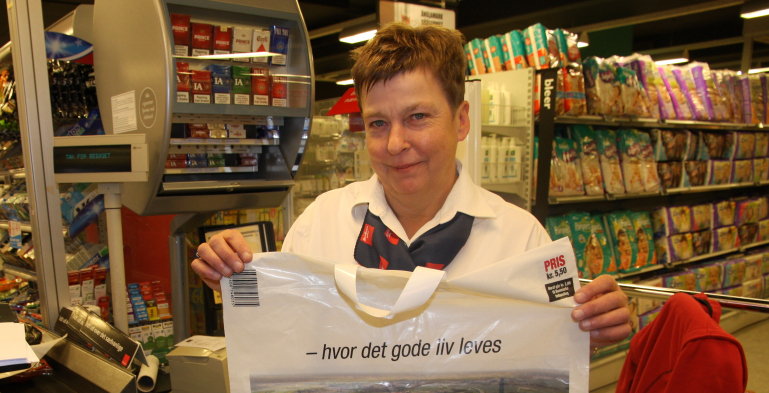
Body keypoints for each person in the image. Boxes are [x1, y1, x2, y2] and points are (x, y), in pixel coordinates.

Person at [192, 23, 631, 348]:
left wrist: (589, 329)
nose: (396, 144)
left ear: (461, 121)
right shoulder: (321, 224)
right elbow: (281, 335)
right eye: (379, 123)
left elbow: (542, 365)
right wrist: (237, 280)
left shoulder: (521, 240)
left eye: (417, 118)